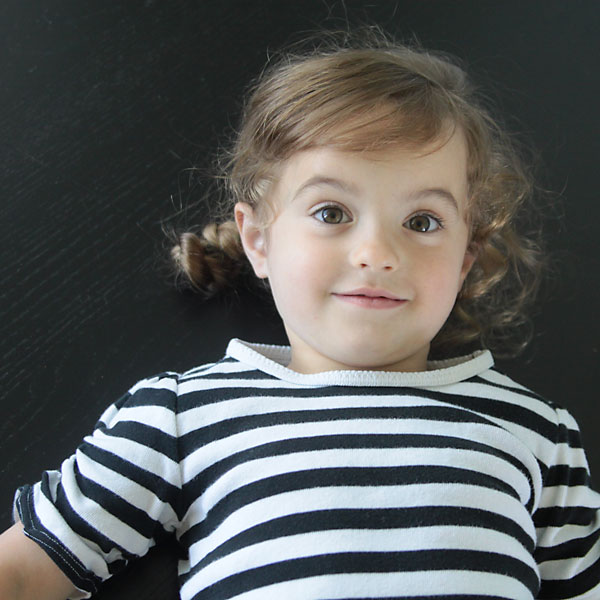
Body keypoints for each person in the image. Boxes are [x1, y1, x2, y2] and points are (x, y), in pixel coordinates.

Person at [1, 28, 599, 600]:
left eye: (422, 222)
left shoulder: (538, 435)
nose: (377, 254)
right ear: (259, 239)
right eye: (332, 212)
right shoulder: (178, 421)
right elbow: (25, 572)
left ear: (465, 261)